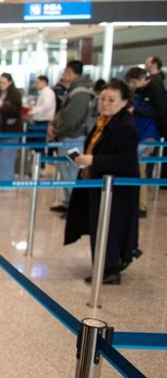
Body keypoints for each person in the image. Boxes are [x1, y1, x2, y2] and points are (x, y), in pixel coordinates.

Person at [64, 79, 140, 285]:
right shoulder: (104, 122)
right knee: (99, 226)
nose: (105, 103)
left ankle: (110, 269)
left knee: (110, 228)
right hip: (99, 182)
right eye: (103, 99)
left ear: (124, 102)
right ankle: (104, 265)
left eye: (111, 100)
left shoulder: (125, 126)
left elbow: (126, 161)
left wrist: (94, 160)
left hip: (115, 190)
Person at [48, 60, 93, 214]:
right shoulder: (74, 91)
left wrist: (57, 130)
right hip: (67, 137)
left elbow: (71, 118)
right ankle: (69, 203)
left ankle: (74, 207)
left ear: (70, 73)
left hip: (73, 138)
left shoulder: (80, 93)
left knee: (72, 172)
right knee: (66, 172)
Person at [125, 66, 167, 218]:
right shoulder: (139, 92)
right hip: (138, 134)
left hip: (149, 135)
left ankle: (141, 206)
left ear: (143, 78)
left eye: (134, 82)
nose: (132, 85)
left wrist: (136, 111)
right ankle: (136, 203)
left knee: (140, 169)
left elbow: (161, 112)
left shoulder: (156, 90)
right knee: (137, 169)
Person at [0, 72, 24, 181]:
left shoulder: (15, 94)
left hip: (11, 129)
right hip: (1, 129)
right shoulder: (0, 93)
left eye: (4, 83)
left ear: (10, 82)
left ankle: (5, 179)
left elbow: (15, 110)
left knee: (7, 156)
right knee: (1, 155)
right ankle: (0, 176)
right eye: (0, 82)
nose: (1, 85)